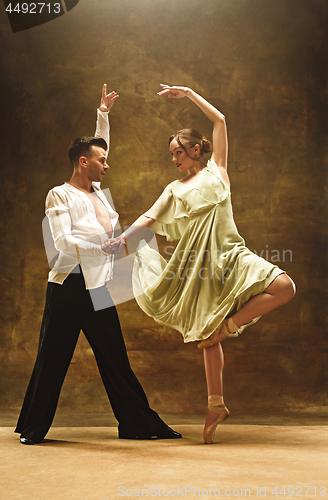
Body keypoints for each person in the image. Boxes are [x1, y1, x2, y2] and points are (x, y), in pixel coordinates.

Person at [106, 84, 296, 444]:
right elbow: (148, 218)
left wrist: (190, 93)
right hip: (199, 266)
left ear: (196, 149)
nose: (175, 159)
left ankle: (228, 326)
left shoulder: (217, 171)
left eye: (179, 152)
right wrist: (122, 240)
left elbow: (220, 119)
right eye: (172, 154)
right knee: (206, 338)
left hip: (232, 256)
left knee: (283, 286)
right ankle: (216, 405)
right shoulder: (174, 189)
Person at [15, 84, 181, 444]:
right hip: (68, 287)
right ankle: (32, 428)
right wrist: (104, 249)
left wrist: (103, 114)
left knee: (116, 359)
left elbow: (99, 147)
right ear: (82, 163)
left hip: (99, 287)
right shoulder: (59, 194)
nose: (107, 164)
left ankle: (139, 424)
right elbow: (61, 243)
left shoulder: (99, 196)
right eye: (101, 161)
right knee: (53, 358)